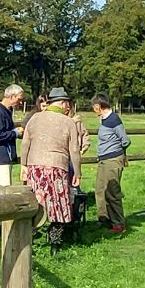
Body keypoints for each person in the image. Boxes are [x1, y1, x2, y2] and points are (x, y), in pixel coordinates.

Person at [20, 87, 87, 241]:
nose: (68, 107)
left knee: (36, 202)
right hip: (57, 168)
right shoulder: (68, 122)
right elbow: (74, 149)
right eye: (67, 104)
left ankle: (28, 237)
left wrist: (24, 165)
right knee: (58, 204)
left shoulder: (35, 118)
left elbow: (25, 144)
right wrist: (77, 172)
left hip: (35, 167)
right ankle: (55, 241)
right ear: (62, 103)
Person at [91, 93, 130, 232]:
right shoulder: (103, 119)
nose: (93, 110)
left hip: (112, 160)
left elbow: (125, 140)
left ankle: (118, 223)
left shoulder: (114, 119)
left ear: (98, 106)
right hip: (103, 159)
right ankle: (104, 218)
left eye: (93, 107)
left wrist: (119, 153)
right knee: (100, 189)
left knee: (112, 192)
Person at [0, 84, 25, 183]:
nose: (20, 103)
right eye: (19, 99)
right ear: (12, 97)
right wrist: (15, 133)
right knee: (4, 191)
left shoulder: (6, 111)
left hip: (5, 158)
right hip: (1, 159)